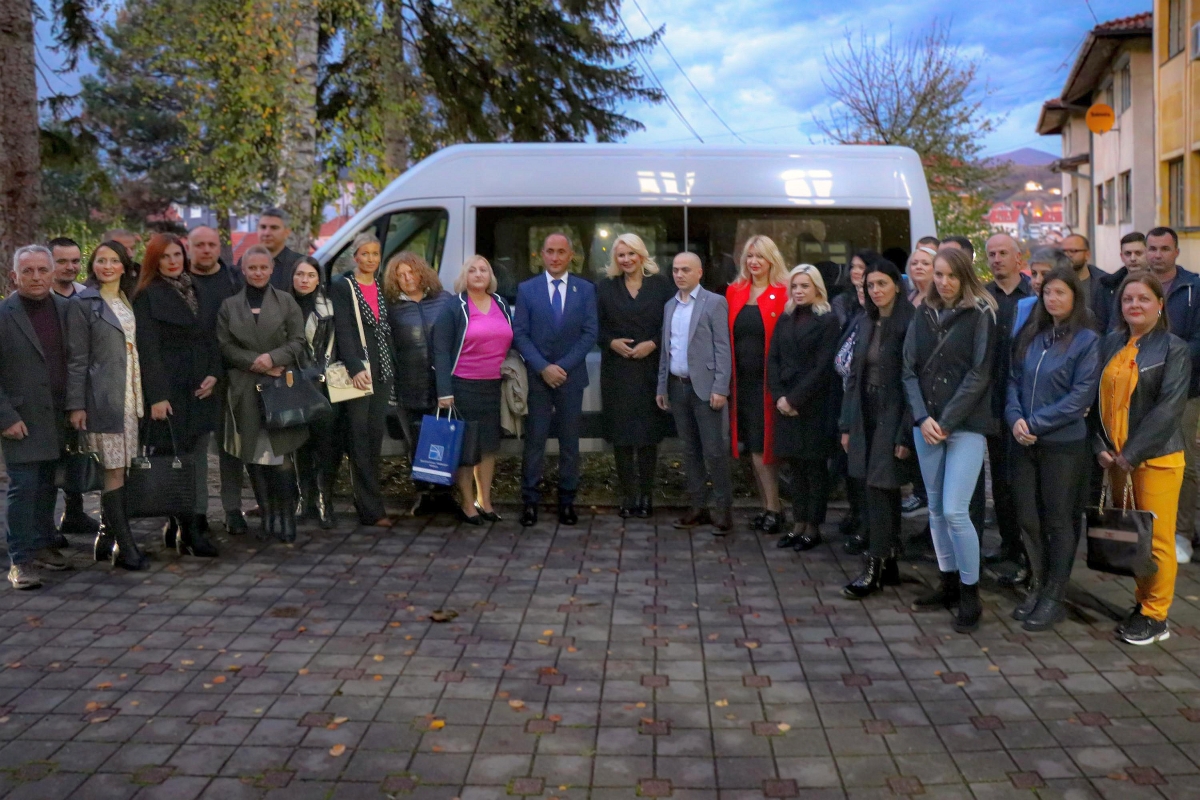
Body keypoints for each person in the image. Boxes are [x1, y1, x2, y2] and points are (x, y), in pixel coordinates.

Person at [902, 246, 997, 633]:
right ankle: (948, 581)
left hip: (966, 425)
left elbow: (980, 373)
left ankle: (970, 593)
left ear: (964, 276)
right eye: (938, 274)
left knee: (957, 511)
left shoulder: (981, 314)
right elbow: (907, 369)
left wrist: (945, 420)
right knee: (937, 509)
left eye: (951, 275)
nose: (943, 282)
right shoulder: (921, 313)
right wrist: (923, 417)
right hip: (926, 425)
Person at [1093, 273, 1190, 644]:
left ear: (1159, 304)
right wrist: (1099, 446)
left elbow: (1169, 409)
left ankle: (1156, 615)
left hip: (1156, 460)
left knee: (1158, 540)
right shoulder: (1110, 343)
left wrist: (1132, 454)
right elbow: (1094, 402)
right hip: (1115, 460)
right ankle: (1142, 602)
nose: (1134, 305)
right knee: (1135, 536)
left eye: (1143, 299)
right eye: (1127, 299)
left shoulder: (1173, 348)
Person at [1006, 267, 1100, 631]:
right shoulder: (1033, 334)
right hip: (1023, 441)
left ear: (1075, 297)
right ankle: (1039, 583)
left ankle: (1054, 596)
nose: (1053, 299)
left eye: (1060, 292)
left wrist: (1035, 424)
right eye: (1047, 293)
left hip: (1063, 445)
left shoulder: (1087, 340)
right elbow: (1013, 381)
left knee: (1059, 521)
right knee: (1028, 518)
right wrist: (1016, 419)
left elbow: (1080, 397)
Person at [133, 233, 221, 557]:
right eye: (165, 256)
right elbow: (147, 349)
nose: (173, 261)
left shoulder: (194, 288)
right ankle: (188, 530)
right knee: (176, 460)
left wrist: (214, 372)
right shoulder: (146, 295)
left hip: (199, 386)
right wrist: (156, 396)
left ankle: (181, 526)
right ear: (154, 261)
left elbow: (209, 334)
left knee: (193, 458)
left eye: (177, 255)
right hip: (170, 391)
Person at [217, 245, 309, 542]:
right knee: (254, 454)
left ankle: (285, 514)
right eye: (252, 268)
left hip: (280, 386)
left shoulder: (285, 302)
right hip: (245, 387)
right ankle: (267, 513)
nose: (258, 272)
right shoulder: (230, 306)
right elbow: (225, 345)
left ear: (271, 270)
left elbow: (298, 340)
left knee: (281, 455)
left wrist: (273, 358)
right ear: (243, 270)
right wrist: (255, 364)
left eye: (263, 267)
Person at [65, 241, 148, 570]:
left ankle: (105, 537)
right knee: (113, 470)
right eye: (101, 260)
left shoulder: (128, 298)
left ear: (125, 266)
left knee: (123, 468)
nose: (107, 266)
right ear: (92, 265)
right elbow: (76, 359)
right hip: (102, 397)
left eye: (114, 260)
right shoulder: (83, 303)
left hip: (130, 396)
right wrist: (76, 405)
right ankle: (125, 548)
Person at [512, 233, 598, 527]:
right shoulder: (527, 290)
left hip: (571, 378)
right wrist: (542, 367)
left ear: (571, 255)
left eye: (561, 251)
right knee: (534, 442)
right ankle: (530, 502)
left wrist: (560, 367)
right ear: (541, 255)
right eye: (550, 251)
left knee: (570, 443)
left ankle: (567, 501)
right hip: (538, 379)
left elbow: (589, 333)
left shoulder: (585, 290)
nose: (556, 257)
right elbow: (520, 333)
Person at [841, 259, 915, 598]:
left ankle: (875, 564)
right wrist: (847, 423)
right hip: (865, 412)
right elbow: (854, 375)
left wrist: (904, 433)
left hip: (894, 414)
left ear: (897, 285)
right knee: (875, 487)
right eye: (871, 285)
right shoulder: (866, 321)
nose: (876, 291)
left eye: (882, 283)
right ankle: (890, 560)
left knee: (880, 487)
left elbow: (912, 382)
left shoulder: (909, 323)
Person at [0, 246, 73, 588]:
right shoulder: (4, 314)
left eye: (42, 270)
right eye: (27, 271)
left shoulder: (66, 308)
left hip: (59, 415)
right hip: (21, 419)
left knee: (48, 485)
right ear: (14, 276)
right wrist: (5, 417)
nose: (36, 277)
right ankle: (20, 560)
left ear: (52, 273)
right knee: (23, 488)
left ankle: (44, 544)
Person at [433, 256, 514, 523]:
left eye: (484, 270)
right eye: (472, 270)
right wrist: (444, 390)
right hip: (462, 386)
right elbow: (441, 350)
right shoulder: (454, 307)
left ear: (491, 276)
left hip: (494, 386)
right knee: (466, 450)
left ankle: (485, 501)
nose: (478, 274)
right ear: (464, 276)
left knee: (488, 448)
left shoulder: (500, 303)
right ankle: (468, 504)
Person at [598, 233, 674, 518]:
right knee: (622, 436)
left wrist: (652, 344)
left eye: (631, 253)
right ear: (615, 259)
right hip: (617, 371)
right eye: (621, 255)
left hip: (650, 370)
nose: (626, 259)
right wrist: (610, 342)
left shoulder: (661, 286)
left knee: (647, 437)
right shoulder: (605, 287)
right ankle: (628, 497)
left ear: (642, 255)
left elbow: (670, 324)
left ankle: (646, 496)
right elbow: (596, 325)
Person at [656, 252, 734, 533]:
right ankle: (698, 507)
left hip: (705, 388)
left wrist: (720, 387)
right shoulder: (670, 306)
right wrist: (662, 385)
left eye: (685, 270)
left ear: (699, 272)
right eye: (676, 270)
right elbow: (668, 349)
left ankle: (723, 510)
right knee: (690, 451)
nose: (679, 275)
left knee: (714, 451)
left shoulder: (714, 303)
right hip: (678, 387)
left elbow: (723, 348)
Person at [768, 264, 841, 550]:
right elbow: (773, 358)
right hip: (785, 403)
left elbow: (823, 367)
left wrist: (795, 399)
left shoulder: (828, 321)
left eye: (804, 286)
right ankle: (798, 523)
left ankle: (813, 526)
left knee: (813, 467)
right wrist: (779, 397)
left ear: (817, 289)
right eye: (795, 286)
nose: (798, 291)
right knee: (794, 467)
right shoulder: (785, 319)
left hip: (812, 405)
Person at [329, 231, 398, 527]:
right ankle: (371, 510)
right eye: (365, 254)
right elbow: (343, 329)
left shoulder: (383, 287)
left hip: (383, 372)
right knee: (358, 440)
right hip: (356, 373)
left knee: (373, 439)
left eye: (375, 254)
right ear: (355, 257)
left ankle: (368, 502)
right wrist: (356, 367)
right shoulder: (343, 286)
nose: (370, 259)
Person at [187, 225, 251, 534]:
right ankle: (197, 510)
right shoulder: (180, 283)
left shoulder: (234, 281)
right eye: (199, 244)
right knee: (197, 448)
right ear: (190, 248)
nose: (206, 250)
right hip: (194, 377)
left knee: (231, 447)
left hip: (232, 374)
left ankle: (232, 507)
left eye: (211, 244)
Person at [725, 236, 790, 533]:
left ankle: (775, 509)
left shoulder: (784, 292)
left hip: (771, 384)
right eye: (750, 256)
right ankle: (767, 507)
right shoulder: (735, 292)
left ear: (771, 260)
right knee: (753, 446)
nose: (754, 262)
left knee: (768, 448)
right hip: (743, 385)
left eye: (760, 257)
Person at [383, 251, 454, 516]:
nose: (406, 279)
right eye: (400, 275)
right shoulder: (391, 308)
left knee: (444, 440)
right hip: (408, 387)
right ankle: (423, 495)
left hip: (442, 386)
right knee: (416, 444)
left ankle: (446, 494)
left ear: (421, 272)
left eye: (410, 272)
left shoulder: (444, 301)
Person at [1144, 227, 1200, 559]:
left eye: (1165, 248)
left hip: (1185, 388)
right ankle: (1149, 529)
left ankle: (1182, 532)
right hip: (1140, 388)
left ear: (1176, 252)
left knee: (1183, 462)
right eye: (1152, 248)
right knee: (1142, 459)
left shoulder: (1194, 287)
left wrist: (1168, 360)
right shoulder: (1135, 286)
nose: (1157, 254)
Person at [981, 234, 1032, 577]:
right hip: (990, 398)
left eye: (1003, 253)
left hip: (1027, 401)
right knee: (999, 477)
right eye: (992, 254)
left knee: (1025, 479)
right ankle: (1008, 542)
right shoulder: (982, 297)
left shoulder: (1037, 295)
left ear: (1019, 258)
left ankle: (1030, 549)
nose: (997, 259)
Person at [46, 236, 98, 540]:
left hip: (81, 391)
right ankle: (46, 527)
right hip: (49, 394)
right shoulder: (39, 299)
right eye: (62, 261)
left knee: (77, 452)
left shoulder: (86, 296)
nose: (70, 267)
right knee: (51, 461)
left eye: (75, 261)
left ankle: (74, 512)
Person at [291, 256, 338, 529]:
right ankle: (303, 499)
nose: (305, 280)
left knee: (326, 445)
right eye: (300, 275)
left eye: (310, 275)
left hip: (325, 385)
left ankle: (324, 500)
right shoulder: (284, 305)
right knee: (300, 444)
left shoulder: (330, 307)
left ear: (318, 278)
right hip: (294, 383)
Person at [832, 251, 870, 552]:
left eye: (863, 271)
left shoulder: (876, 319)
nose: (857, 276)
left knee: (866, 469)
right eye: (854, 269)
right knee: (851, 466)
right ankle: (858, 516)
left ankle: (869, 527)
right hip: (848, 398)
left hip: (869, 402)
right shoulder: (851, 311)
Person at [1013, 247, 1074, 334]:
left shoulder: (1081, 314)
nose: (1037, 281)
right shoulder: (1024, 307)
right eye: (1034, 274)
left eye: (1045, 274)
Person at [246, 207, 303, 291]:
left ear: (287, 232)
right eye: (263, 227)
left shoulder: (300, 265)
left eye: (274, 228)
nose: (266, 233)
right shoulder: (245, 262)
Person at [905, 240, 937, 306]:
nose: (918, 267)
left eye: (925, 264)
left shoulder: (941, 297)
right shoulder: (909, 297)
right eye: (914, 263)